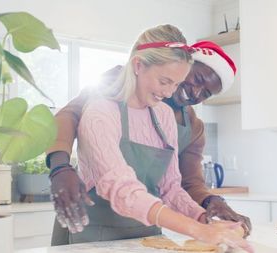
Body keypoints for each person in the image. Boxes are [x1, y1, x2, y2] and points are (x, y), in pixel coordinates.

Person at [48, 24, 252, 252]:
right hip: (97, 231)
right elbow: (121, 187)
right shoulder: (104, 105)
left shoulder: (172, 118)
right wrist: (59, 166)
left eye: (205, 93)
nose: (171, 92)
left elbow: (174, 187)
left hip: (147, 231)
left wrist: (204, 215)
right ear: (138, 66)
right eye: (166, 81)